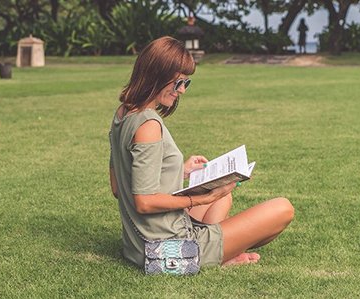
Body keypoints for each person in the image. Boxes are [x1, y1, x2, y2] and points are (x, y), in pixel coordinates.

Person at [109, 36, 294, 269]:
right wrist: (201, 198)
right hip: (165, 253)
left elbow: (119, 187)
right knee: (282, 209)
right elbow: (144, 202)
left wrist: (180, 169)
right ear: (157, 74)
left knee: (223, 197)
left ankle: (217, 252)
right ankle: (216, 256)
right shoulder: (149, 126)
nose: (182, 91)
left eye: (187, 83)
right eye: (178, 83)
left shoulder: (122, 114)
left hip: (137, 247)